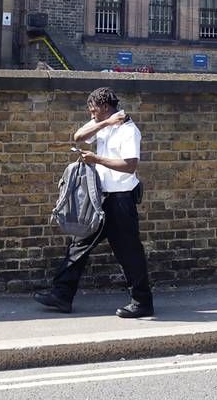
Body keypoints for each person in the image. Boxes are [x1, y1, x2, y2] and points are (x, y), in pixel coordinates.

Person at [35, 87, 153, 318]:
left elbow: (130, 166)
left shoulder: (129, 132)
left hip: (121, 200)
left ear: (106, 108)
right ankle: (61, 295)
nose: (91, 115)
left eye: (94, 111)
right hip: (101, 198)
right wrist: (104, 123)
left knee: (129, 252)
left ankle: (142, 302)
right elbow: (79, 137)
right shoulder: (106, 127)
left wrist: (96, 158)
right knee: (79, 244)